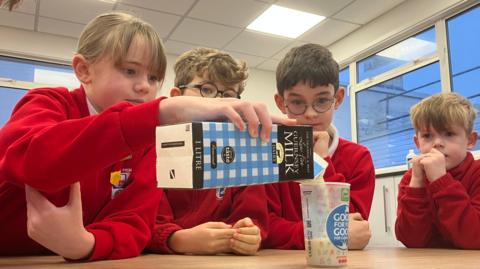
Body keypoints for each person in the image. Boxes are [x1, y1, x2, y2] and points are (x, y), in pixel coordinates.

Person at [0, 13, 279, 261]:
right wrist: (157, 114)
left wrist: (85, 244)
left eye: (154, 77)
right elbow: (29, 161)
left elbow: (134, 222)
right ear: (83, 70)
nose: (144, 86)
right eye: (129, 70)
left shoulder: (144, 144)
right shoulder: (49, 102)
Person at [147, 48, 272, 255]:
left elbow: (254, 219)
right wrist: (177, 239)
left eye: (229, 95)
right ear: (177, 97)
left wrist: (250, 234)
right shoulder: (153, 150)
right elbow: (140, 222)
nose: (220, 103)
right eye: (207, 90)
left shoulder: (244, 156)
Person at [263, 43, 374, 250]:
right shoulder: (268, 154)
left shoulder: (359, 157)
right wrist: (324, 233)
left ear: (338, 98)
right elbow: (266, 227)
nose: (311, 114)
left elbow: (352, 226)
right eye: (297, 103)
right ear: (280, 103)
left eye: (322, 100)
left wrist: (322, 164)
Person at [395, 92, 480, 249]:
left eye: (449, 134)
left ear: (470, 140)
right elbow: (411, 240)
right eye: (427, 136)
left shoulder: (477, 173)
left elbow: (475, 238)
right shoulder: (411, 179)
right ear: (417, 142)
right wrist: (417, 184)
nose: (437, 143)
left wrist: (441, 180)